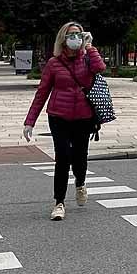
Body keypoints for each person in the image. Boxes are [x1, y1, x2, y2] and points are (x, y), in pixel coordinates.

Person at [23, 22, 106, 221]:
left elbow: (100, 68)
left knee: (79, 157)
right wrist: (30, 121)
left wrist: (90, 47)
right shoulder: (54, 63)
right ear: (63, 39)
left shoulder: (87, 59)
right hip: (59, 116)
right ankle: (59, 202)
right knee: (62, 157)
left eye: (78, 34)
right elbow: (42, 93)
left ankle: (80, 182)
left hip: (83, 117)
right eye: (71, 35)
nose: (75, 38)